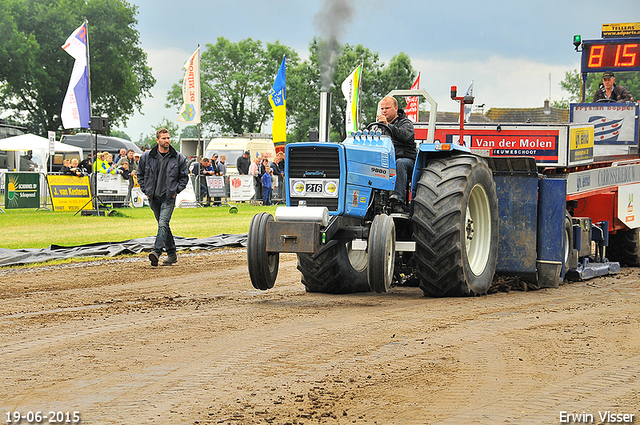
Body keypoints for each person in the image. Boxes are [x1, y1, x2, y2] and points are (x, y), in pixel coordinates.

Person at [137, 128, 189, 266]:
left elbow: (184, 178)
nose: (167, 140)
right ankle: (172, 254)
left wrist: (175, 191)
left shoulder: (178, 157)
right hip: (153, 197)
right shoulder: (146, 157)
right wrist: (145, 190)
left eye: (168, 138)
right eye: (164, 138)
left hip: (168, 197)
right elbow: (140, 174)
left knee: (163, 224)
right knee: (164, 226)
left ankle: (157, 251)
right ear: (157, 140)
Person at [376, 95, 416, 213]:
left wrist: (388, 126)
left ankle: (397, 199)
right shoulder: (378, 127)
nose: (384, 111)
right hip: (385, 161)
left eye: (387, 108)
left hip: (406, 162)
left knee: (400, 163)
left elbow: (405, 135)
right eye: (382, 109)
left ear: (395, 108)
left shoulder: (406, 123)